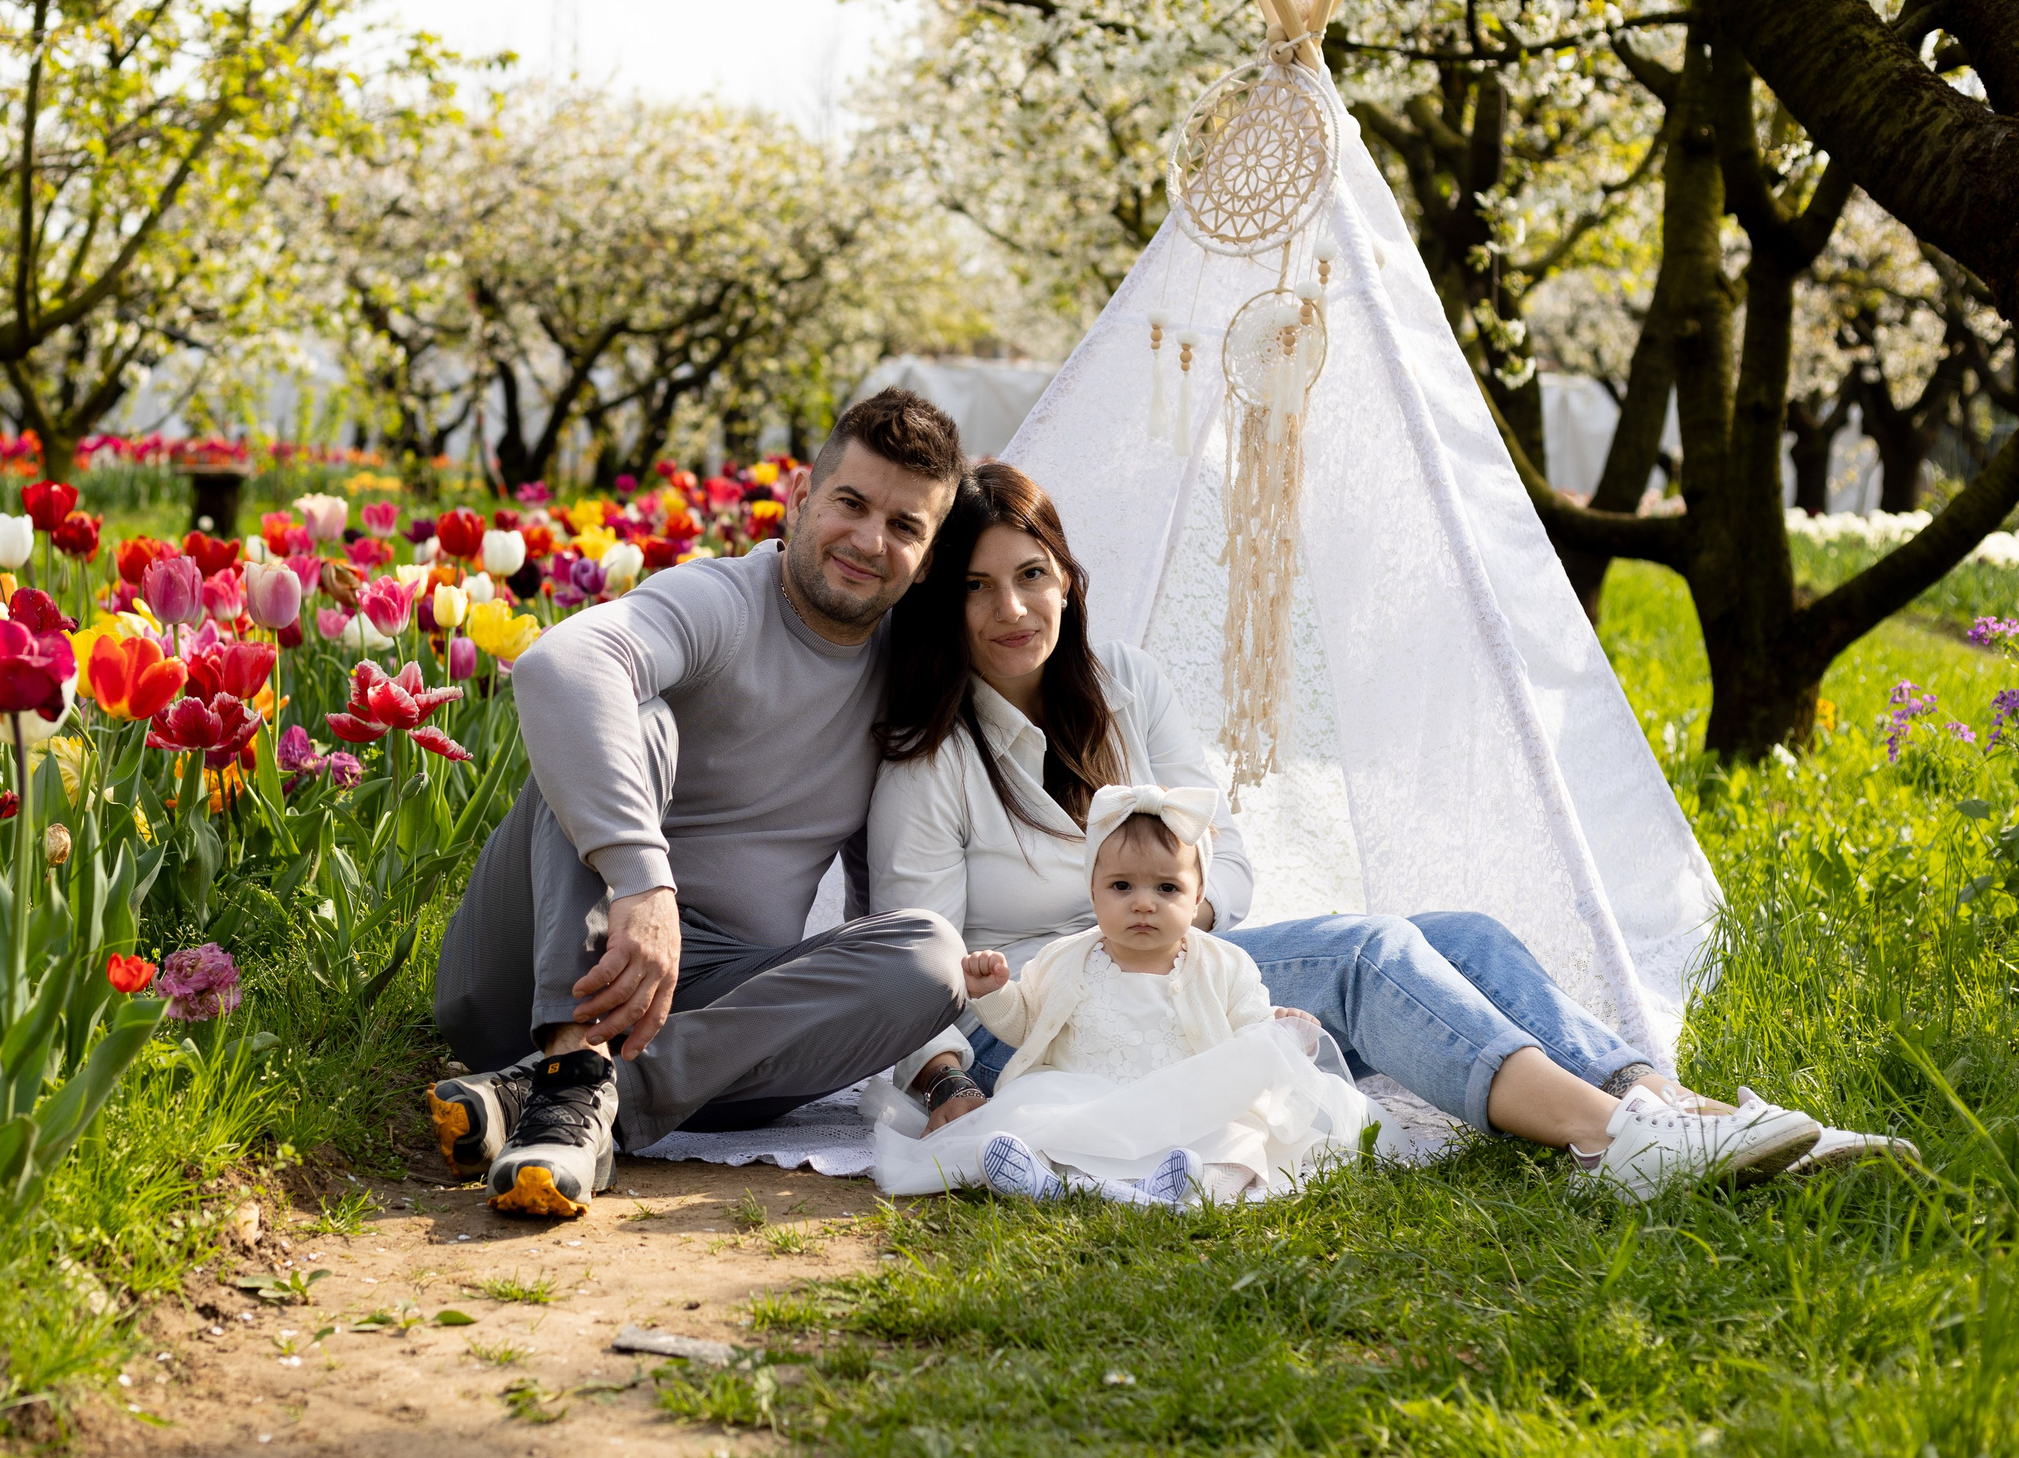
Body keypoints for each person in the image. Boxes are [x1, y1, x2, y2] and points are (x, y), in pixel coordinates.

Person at [867, 460, 1903, 1201]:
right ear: (942, 607)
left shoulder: (1122, 682)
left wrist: (1172, 918)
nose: (1011, 608)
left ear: (1066, 577)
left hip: (1172, 966)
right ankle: (1614, 1142)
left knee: (1467, 935)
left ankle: (1674, 1106)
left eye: (1031, 573)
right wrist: (951, 1082)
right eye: (974, 586)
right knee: (1366, 955)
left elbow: (1222, 850)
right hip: (1045, 1027)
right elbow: (911, 964)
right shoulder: (931, 755)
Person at [429, 390, 972, 1219]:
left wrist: (937, 1064)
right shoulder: (724, 601)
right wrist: (645, 884)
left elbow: (882, 904)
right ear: (799, 497)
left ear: (927, 558)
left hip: (713, 1031)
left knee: (932, 955)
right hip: (544, 959)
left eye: (905, 527)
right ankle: (565, 1060)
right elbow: (559, 666)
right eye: (851, 503)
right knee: (630, 718)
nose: (869, 541)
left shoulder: (906, 684)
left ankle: (575, 1099)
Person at [878, 782, 1391, 1208]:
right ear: (1094, 891)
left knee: (1240, 1142)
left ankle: (1184, 1190)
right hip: (1087, 1093)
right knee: (1036, 1120)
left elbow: (1247, 1033)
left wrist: (1280, 1034)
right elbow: (1025, 1025)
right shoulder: (1065, 959)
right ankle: (1055, 1183)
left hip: (1189, 1109)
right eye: (1122, 887)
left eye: (1166, 889)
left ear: (1196, 900)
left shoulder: (1224, 964)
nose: (1143, 904)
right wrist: (994, 995)